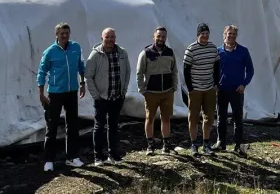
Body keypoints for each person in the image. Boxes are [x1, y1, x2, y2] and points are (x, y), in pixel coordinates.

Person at [36, 22, 87, 172]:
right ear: (56, 35)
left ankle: (72, 157)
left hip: (71, 91)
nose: (64, 36)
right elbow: (42, 72)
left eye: (67, 33)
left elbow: (80, 66)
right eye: (61, 33)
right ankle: (49, 159)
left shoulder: (75, 47)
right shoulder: (50, 52)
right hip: (55, 93)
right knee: (52, 126)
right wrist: (41, 93)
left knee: (72, 125)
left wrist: (83, 83)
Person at [85, 27, 131, 165]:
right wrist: (96, 95)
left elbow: (127, 71)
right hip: (102, 98)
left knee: (113, 126)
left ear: (115, 38)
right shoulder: (95, 55)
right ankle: (98, 156)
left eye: (112, 37)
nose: (110, 39)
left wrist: (123, 90)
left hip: (116, 96)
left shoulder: (122, 53)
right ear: (102, 38)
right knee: (99, 127)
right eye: (107, 37)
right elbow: (88, 76)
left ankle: (113, 154)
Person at [136, 26, 178, 154]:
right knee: (150, 118)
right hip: (151, 93)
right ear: (154, 36)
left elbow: (174, 71)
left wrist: (174, 87)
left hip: (167, 92)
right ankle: (150, 145)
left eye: (163, 36)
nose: (161, 39)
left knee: (166, 118)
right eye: (158, 36)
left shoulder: (170, 52)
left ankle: (166, 145)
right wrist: (142, 90)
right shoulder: (146, 53)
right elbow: (139, 73)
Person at [216, 24, 253, 157]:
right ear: (224, 35)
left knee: (238, 118)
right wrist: (215, 84)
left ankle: (238, 144)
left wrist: (244, 84)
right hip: (222, 89)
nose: (231, 36)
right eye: (228, 33)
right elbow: (214, 70)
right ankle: (221, 143)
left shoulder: (243, 51)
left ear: (236, 36)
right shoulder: (218, 51)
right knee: (221, 117)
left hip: (237, 90)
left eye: (233, 34)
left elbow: (250, 70)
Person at [183, 23, 220, 155]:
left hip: (209, 88)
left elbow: (217, 67)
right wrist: (190, 88)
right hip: (196, 89)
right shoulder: (191, 49)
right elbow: (186, 70)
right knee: (193, 117)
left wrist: (216, 83)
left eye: (207, 34)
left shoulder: (213, 48)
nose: (205, 36)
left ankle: (206, 143)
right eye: (202, 34)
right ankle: (193, 144)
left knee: (209, 117)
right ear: (198, 34)